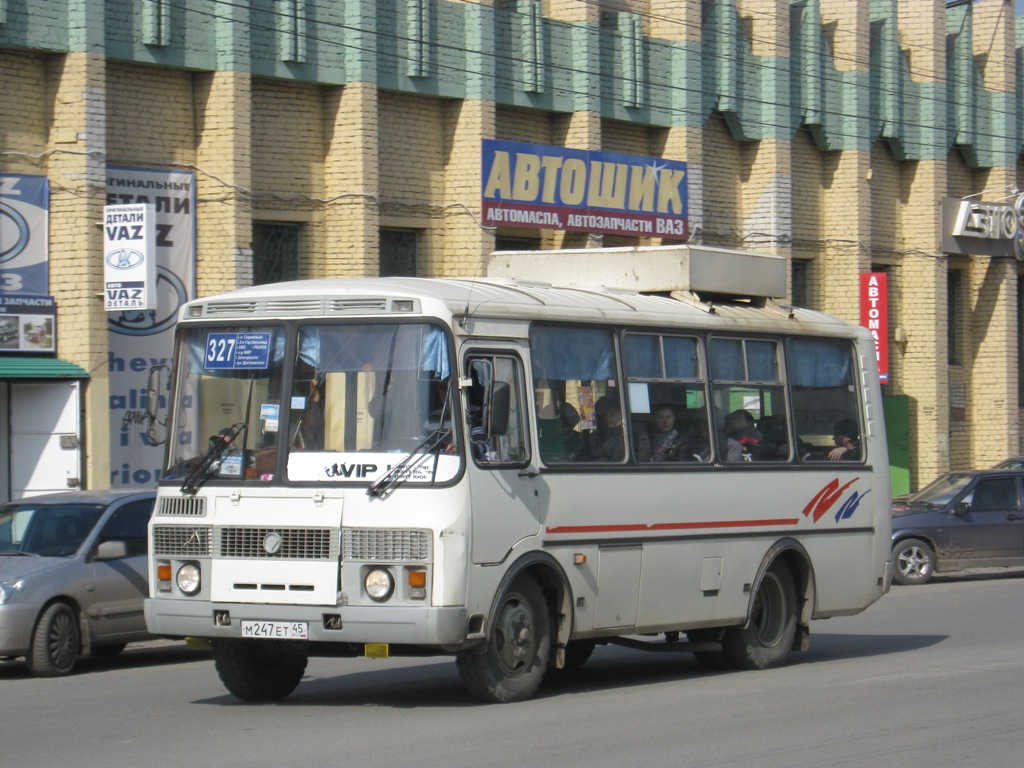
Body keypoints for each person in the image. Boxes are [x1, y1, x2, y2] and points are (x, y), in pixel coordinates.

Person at [586, 395, 625, 460]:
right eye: (602, 415)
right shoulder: (598, 435)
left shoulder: (625, 439)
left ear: (621, 416)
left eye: (612, 413)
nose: (606, 417)